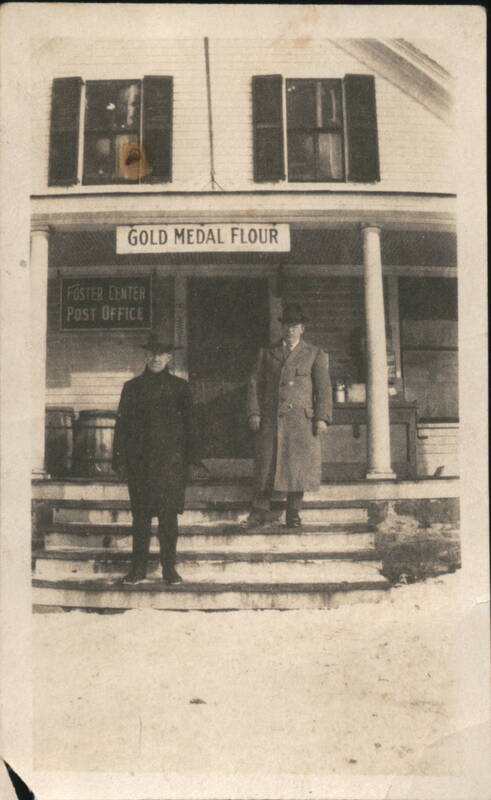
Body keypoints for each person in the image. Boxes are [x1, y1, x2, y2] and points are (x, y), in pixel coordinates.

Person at [112, 334, 198, 584]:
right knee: (140, 518)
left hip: (170, 465)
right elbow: (122, 427)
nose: (156, 358)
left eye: (161, 354)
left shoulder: (180, 387)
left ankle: (169, 569)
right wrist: (119, 460)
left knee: (168, 519)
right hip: (140, 464)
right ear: (146, 356)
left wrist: (191, 460)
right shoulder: (132, 387)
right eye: (152, 353)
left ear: (170, 357)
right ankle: (138, 569)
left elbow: (191, 426)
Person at [246, 303, 333, 528]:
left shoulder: (314, 354)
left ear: (302, 328)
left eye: (295, 326)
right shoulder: (267, 353)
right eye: (286, 325)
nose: (290, 330)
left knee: (298, 467)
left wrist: (322, 417)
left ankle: (293, 512)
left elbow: (323, 388)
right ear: (281, 328)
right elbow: (254, 383)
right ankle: (259, 510)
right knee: (266, 465)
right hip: (271, 419)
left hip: (300, 422)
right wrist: (254, 412)